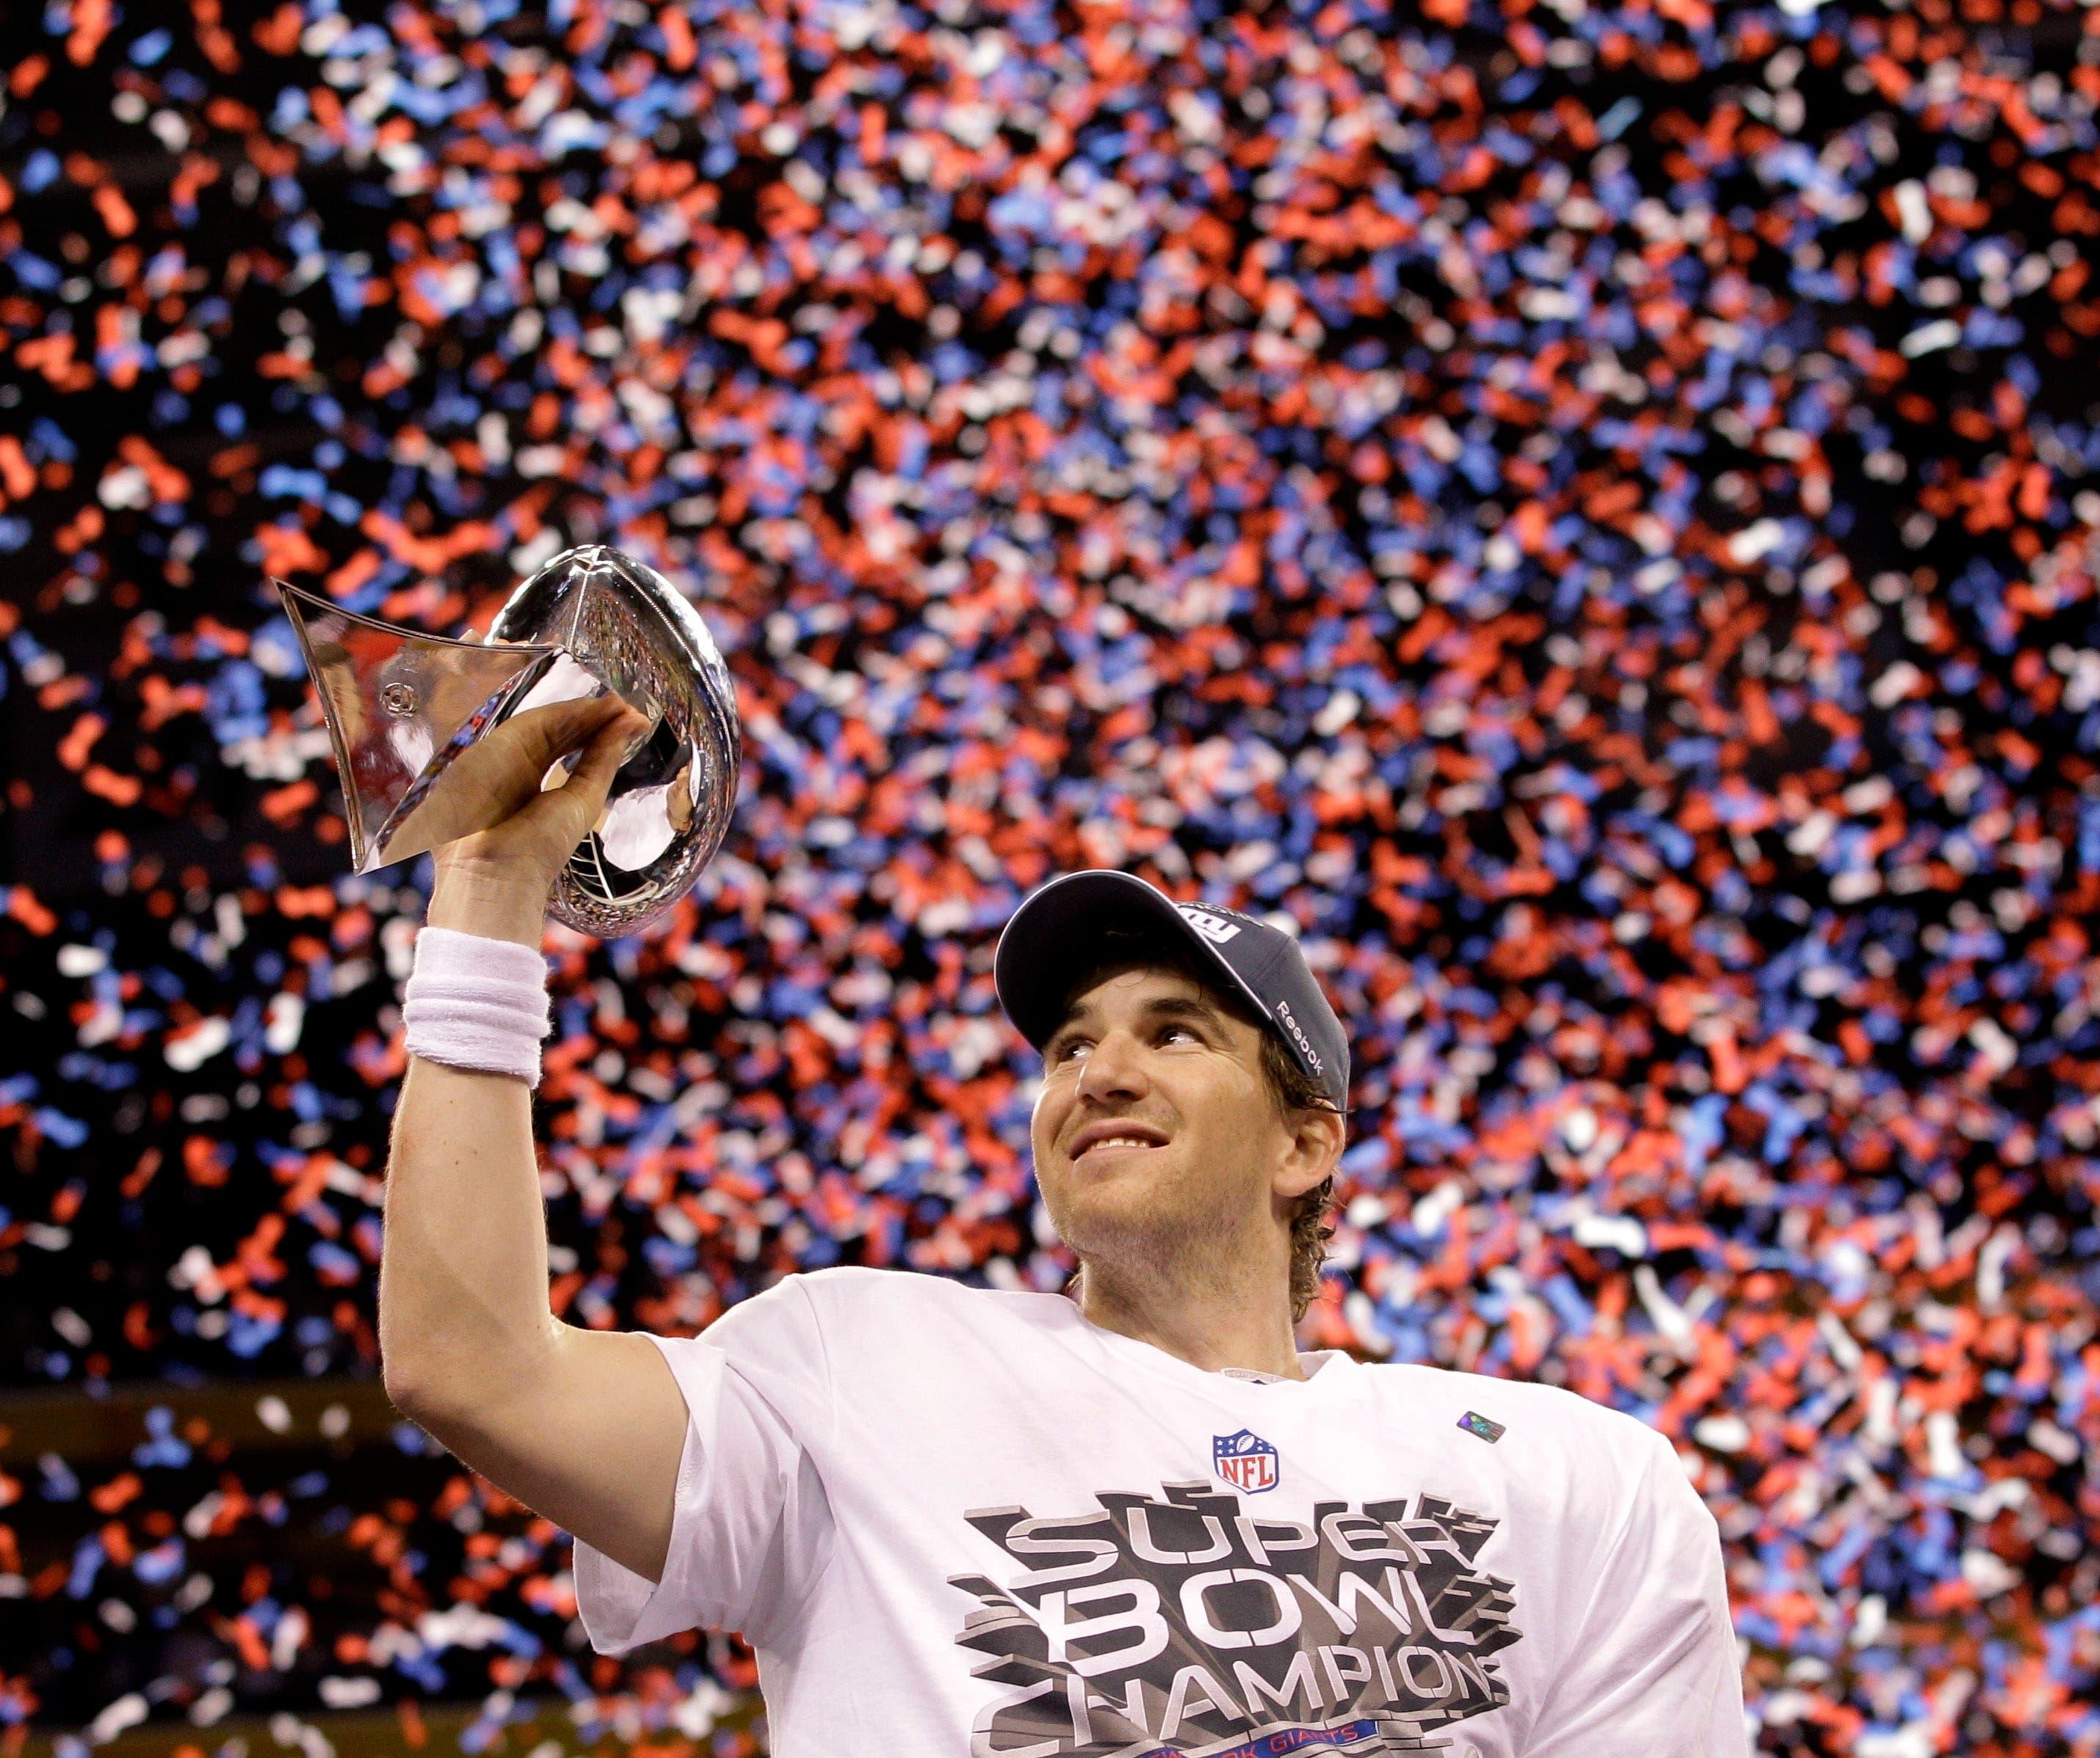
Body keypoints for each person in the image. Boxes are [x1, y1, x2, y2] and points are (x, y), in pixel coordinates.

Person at [380, 696, 1750, 1757]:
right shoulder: (855, 1364)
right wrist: (492, 898)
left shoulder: (1583, 1482)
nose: (1097, 1071)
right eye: (1066, 1046)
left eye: (1174, 1032)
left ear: (1304, 1139)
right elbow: (477, 1368)